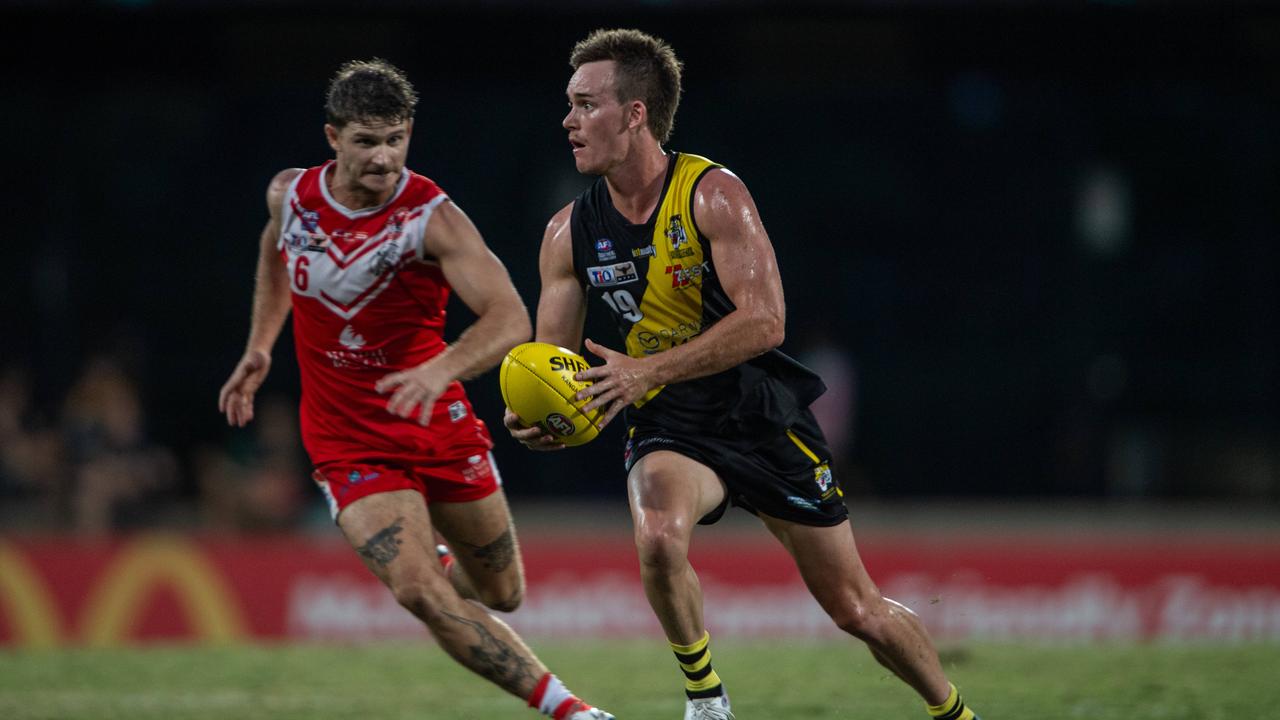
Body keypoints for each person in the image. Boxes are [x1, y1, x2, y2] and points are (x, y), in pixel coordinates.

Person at [507, 29, 981, 720]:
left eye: (585, 105)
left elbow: (766, 322)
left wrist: (646, 370)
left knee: (857, 610)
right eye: (569, 105)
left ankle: (955, 713)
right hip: (670, 422)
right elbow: (553, 364)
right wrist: (548, 418)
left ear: (636, 113)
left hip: (758, 412)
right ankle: (707, 698)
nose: (568, 121)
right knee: (659, 537)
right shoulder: (566, 235)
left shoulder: (712, 194)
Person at [218, 59, 613, 720]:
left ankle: (429, 555)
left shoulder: (432, 218)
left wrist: (439, 370)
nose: (383, 157)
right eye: (367, 141)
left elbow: (510, 317)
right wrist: (260, 344)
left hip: (435, 420)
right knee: (419, 593)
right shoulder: (290, 196)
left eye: (396, 139)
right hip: (345, 439)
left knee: (504, 592)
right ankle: (572, 711)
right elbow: (273, 254)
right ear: (333, 137)